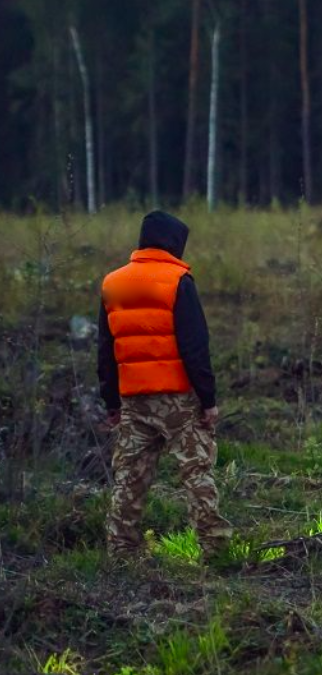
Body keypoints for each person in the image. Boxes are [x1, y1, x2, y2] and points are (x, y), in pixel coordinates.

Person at [99, 211, 232, 562]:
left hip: (132, 400)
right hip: (178, 401)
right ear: (174, 241)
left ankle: (121, 551)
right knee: (195, 472)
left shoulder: (113, 283)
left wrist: (112, 402)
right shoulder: (179, 281)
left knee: (129, 477)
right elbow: (194, 346)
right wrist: (208, 400)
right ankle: (215, 548)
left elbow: (106, 349)